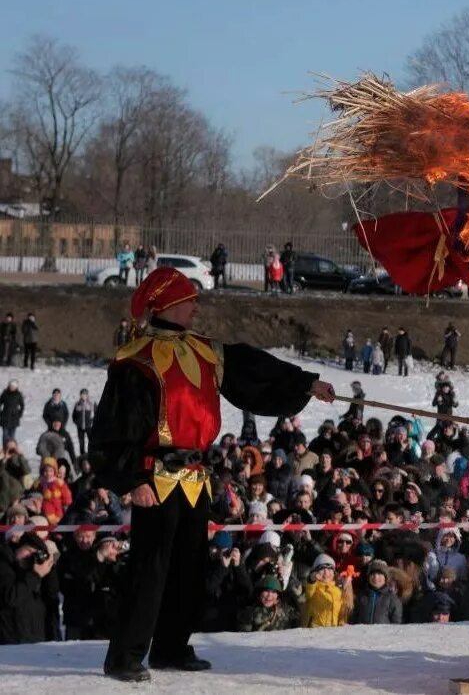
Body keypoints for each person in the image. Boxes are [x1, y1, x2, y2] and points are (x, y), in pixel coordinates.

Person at [89, 267, 336, 681]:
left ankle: (172, 646)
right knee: (150, 569)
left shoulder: (207, 351)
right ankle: (125, 657)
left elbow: (254, 369)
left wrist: (306, 383)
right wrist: (132, 480)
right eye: (189, 300)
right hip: (156, 477)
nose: (195, 306)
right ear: (168, 303)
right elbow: (116, 427)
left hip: (194, 478)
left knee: (189, 567)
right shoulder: (137, 360)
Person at [0, 532, 53, 643]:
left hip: (34, 639)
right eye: (28, 550)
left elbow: (52, 593)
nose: (29, 556)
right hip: (9, 640)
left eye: (34, 554)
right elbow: (11, 597)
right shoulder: (4, 565)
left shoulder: (32, 572)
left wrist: (49, 567)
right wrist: (36, 575)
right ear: (18, 547)